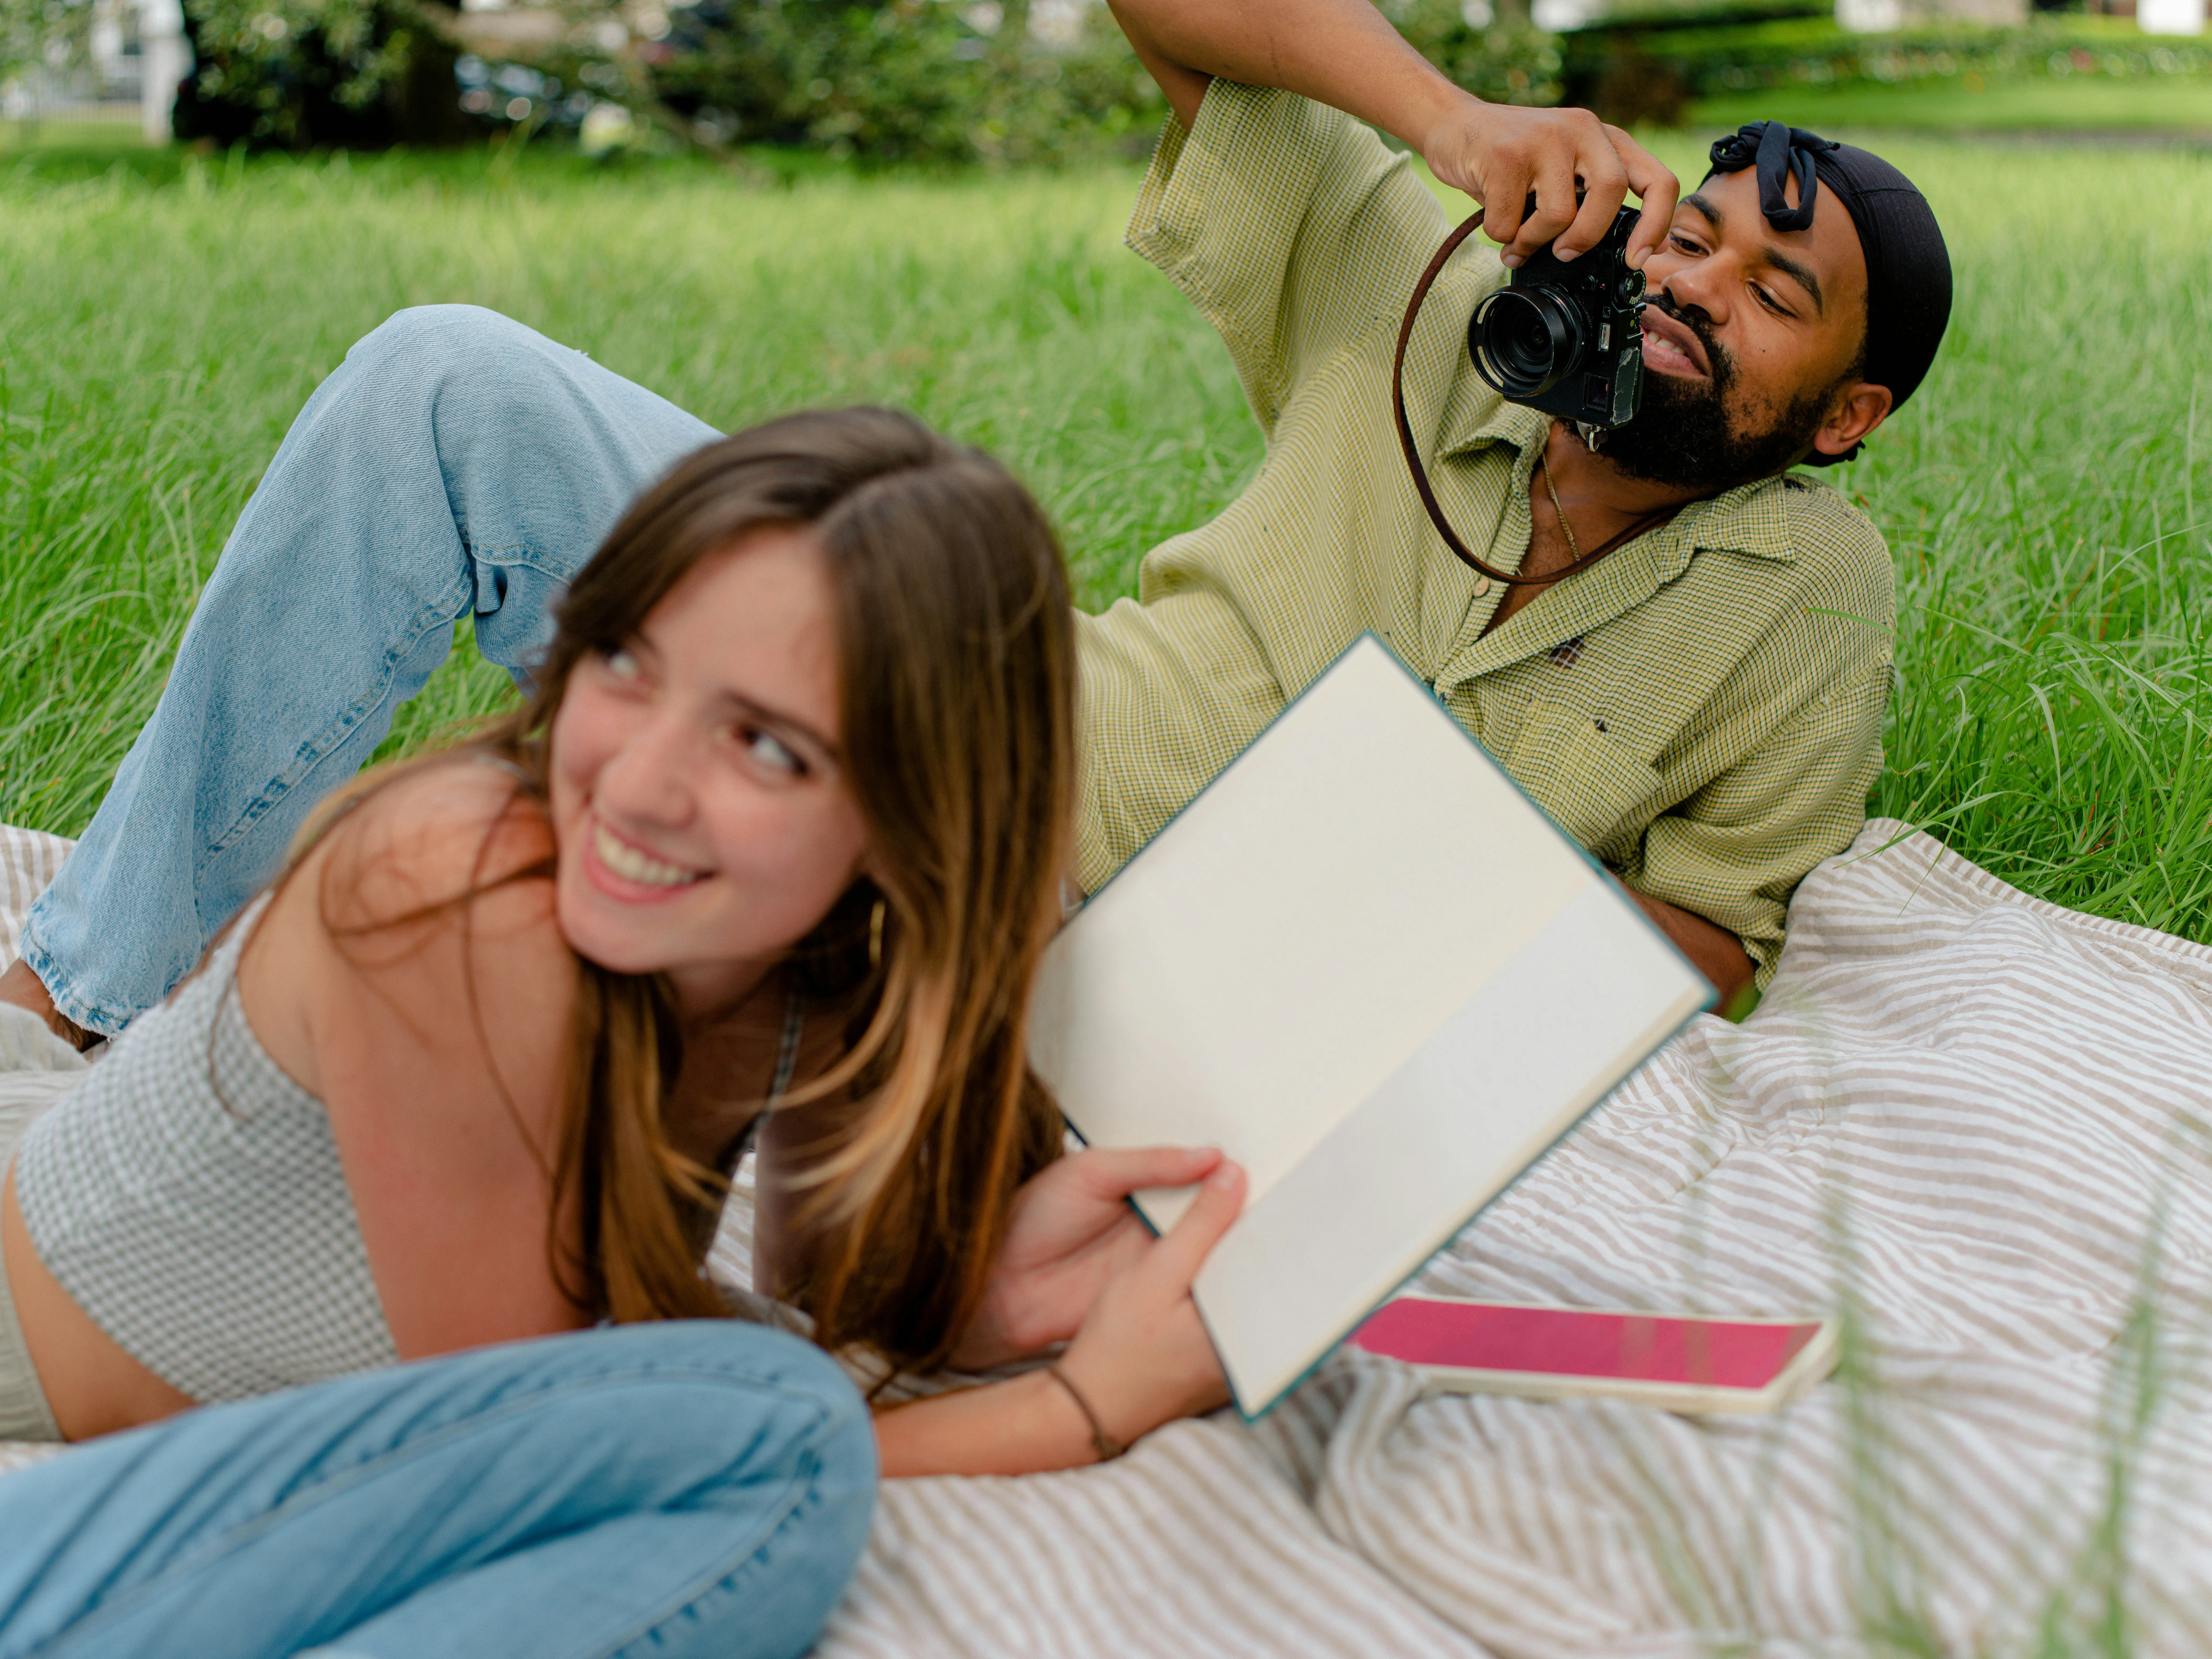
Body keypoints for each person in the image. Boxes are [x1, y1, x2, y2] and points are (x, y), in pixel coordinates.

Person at [0, 0, 1953, 1052]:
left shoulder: (1805, 604)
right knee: (451, 380)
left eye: (1772, 294)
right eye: (1692, 236)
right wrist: (1450, 125)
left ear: (1845, 415)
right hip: (967, 726)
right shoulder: (1440, 296)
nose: (1696, 291)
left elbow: (1704, 933)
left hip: (1114, 1009)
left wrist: (1364, 957)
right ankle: (78, 994)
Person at [0, 410, 1246, 1657]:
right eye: (627, 666)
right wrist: (1079, 1409)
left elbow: (814, 1302)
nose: (640, 784)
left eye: (763, 744)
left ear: (918, 814)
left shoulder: (813, 947)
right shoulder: (465, 908)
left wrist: (974, 1297)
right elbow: (549, 1461)